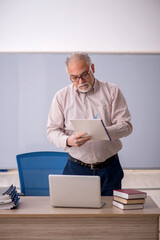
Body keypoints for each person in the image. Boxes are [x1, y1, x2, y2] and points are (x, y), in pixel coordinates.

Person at [47, 52, 132, 196]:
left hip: (109, 168)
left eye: (84, 74)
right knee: (76, 216)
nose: (80, 82)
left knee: (109, 216)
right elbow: (52, 131)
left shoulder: (112, 92)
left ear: (92, 68)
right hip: (76, 168)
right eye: (74, 77)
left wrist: (103, 132)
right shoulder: (61, 97)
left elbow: (126, 126)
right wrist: (68, 140)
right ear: (69, 76)